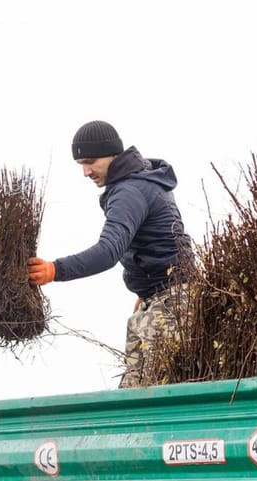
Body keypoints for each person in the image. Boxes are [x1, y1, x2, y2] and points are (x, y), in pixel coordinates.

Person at [27, 120, 193, 388]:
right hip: (167, 298)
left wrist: (55, 270)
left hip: (170, 304)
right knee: (133, 392)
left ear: (112, 154)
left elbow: (108, 252)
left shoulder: (129, 190)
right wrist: (148, 289)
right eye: (81, 163)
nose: (85, 171)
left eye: (90, 161)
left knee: (150, 394)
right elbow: (165, 241)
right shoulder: (145, 180)